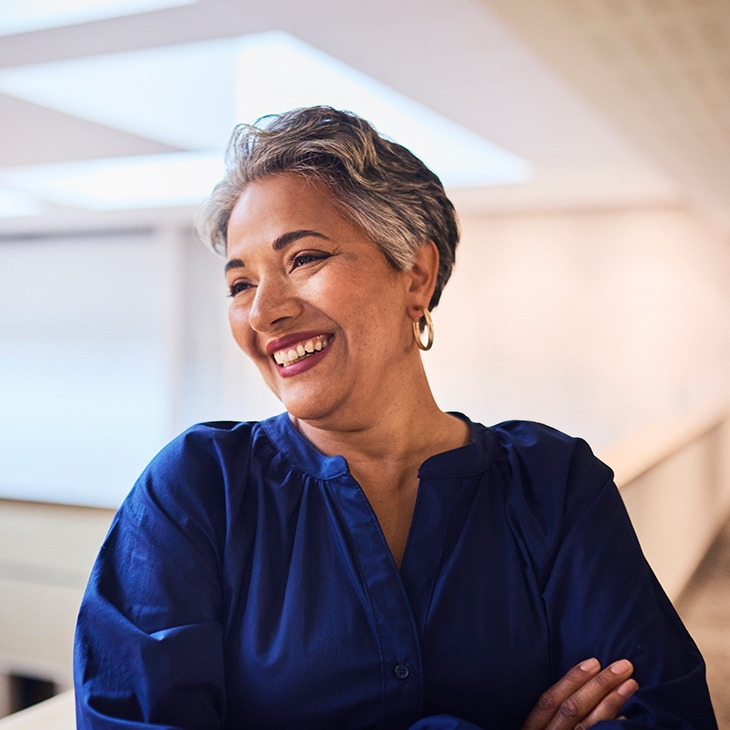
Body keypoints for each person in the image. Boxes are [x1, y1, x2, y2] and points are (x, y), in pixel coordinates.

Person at [74, 106, 717, 730]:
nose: (264, 311)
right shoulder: (196, 488)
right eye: (240, 284)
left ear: (415, 275)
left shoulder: (554, 484)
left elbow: (665, 712)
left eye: (303, 259)